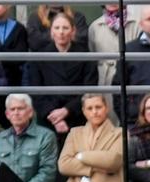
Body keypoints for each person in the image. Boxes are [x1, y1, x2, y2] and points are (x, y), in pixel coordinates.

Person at [29, 9, 98, 137]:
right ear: (51, 32)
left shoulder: (86, 56)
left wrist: (67, 110)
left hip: (77, 117)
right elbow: (35, 91)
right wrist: (54, 116)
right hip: (48, 119)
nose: (61, 32)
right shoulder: (39, 56)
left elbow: (89, 90)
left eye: (65, 28)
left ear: (73, 31)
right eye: (57, 28)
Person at [0, 92, 59, 182]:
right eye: (12, 109)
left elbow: (47, 173)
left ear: (30, 112)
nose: (16, 113)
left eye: (20, 108)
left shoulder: (46, 136)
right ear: (7, 115)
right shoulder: (0, 139)